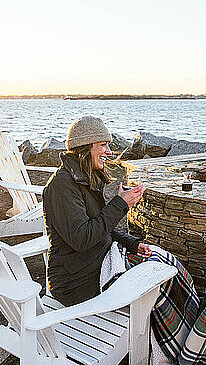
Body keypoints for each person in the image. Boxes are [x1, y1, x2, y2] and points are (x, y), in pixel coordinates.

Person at [42, 115, 151, 306]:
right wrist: (120, 204)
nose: (109, 152)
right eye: (103, 145)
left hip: (96, 261)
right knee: (157, 280)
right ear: (85, 147)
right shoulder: (62, 186)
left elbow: (98, 226)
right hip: (76, 282)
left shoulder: (86, 177)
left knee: (164, 263)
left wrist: (132, 244)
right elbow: (83, 238)